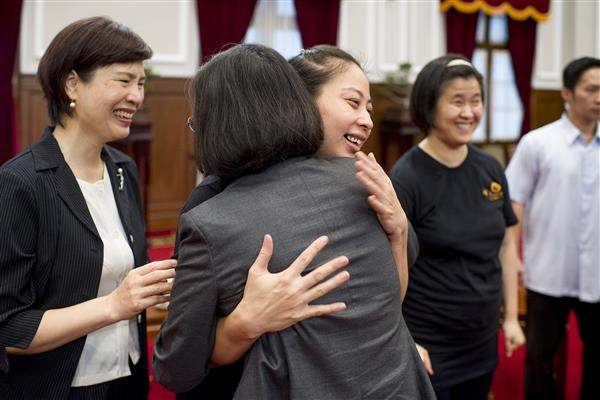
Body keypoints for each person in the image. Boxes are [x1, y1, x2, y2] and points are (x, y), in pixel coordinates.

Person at [153, 44, 435, 399]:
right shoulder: (361, 179)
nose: (366, 119)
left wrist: (400, 230)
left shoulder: (211, 221)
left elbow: (175, 367)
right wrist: (246, 320)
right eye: (353, 102)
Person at [0, 17, 176, 399]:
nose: (136, 96)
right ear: (72, 84)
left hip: (127, 378)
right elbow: (9, 328)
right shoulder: (21, 182)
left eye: (141, 83)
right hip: (58, 387)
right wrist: (115, 305)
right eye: (123, 80)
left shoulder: (123, 169)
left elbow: (130, 271)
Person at [389, 54, 525, 400]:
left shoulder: (490, 168)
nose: (469, 113)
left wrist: (510, 317)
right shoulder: (406, 178)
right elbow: (388, 268)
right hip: (429, 345)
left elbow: (507, 245)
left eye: (476, 101)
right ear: (429, 107)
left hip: (480, 339)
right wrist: (406, 340)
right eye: (457, 102)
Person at [505, 57, 600, 400]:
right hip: (548, 272)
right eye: (591, 89)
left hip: (597, 275)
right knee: (540, 359)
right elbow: (514, 202)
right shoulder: (538, 143)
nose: (598, 97)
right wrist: (513, 256)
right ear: (566, 93)